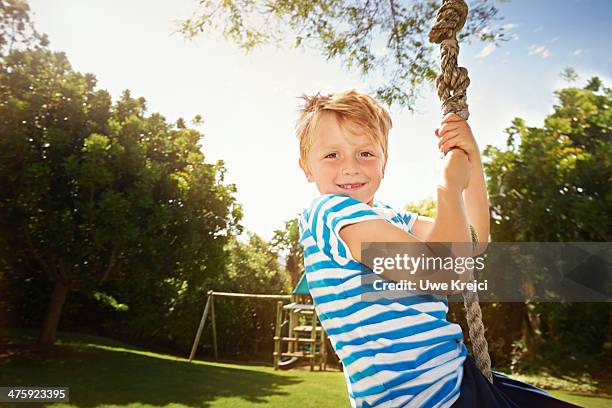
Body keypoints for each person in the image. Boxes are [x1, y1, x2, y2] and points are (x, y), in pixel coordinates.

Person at [295, 90, 580, 408]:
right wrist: (448, 188)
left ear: (384, 162)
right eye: (332, 155)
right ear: (307, 167)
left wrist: (471, 160)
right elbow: (442, 275)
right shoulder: (329, 211)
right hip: (424, 399)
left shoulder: (392, 218)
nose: (350, 167)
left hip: (458, 377)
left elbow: (474, 241)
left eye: (365, 153)